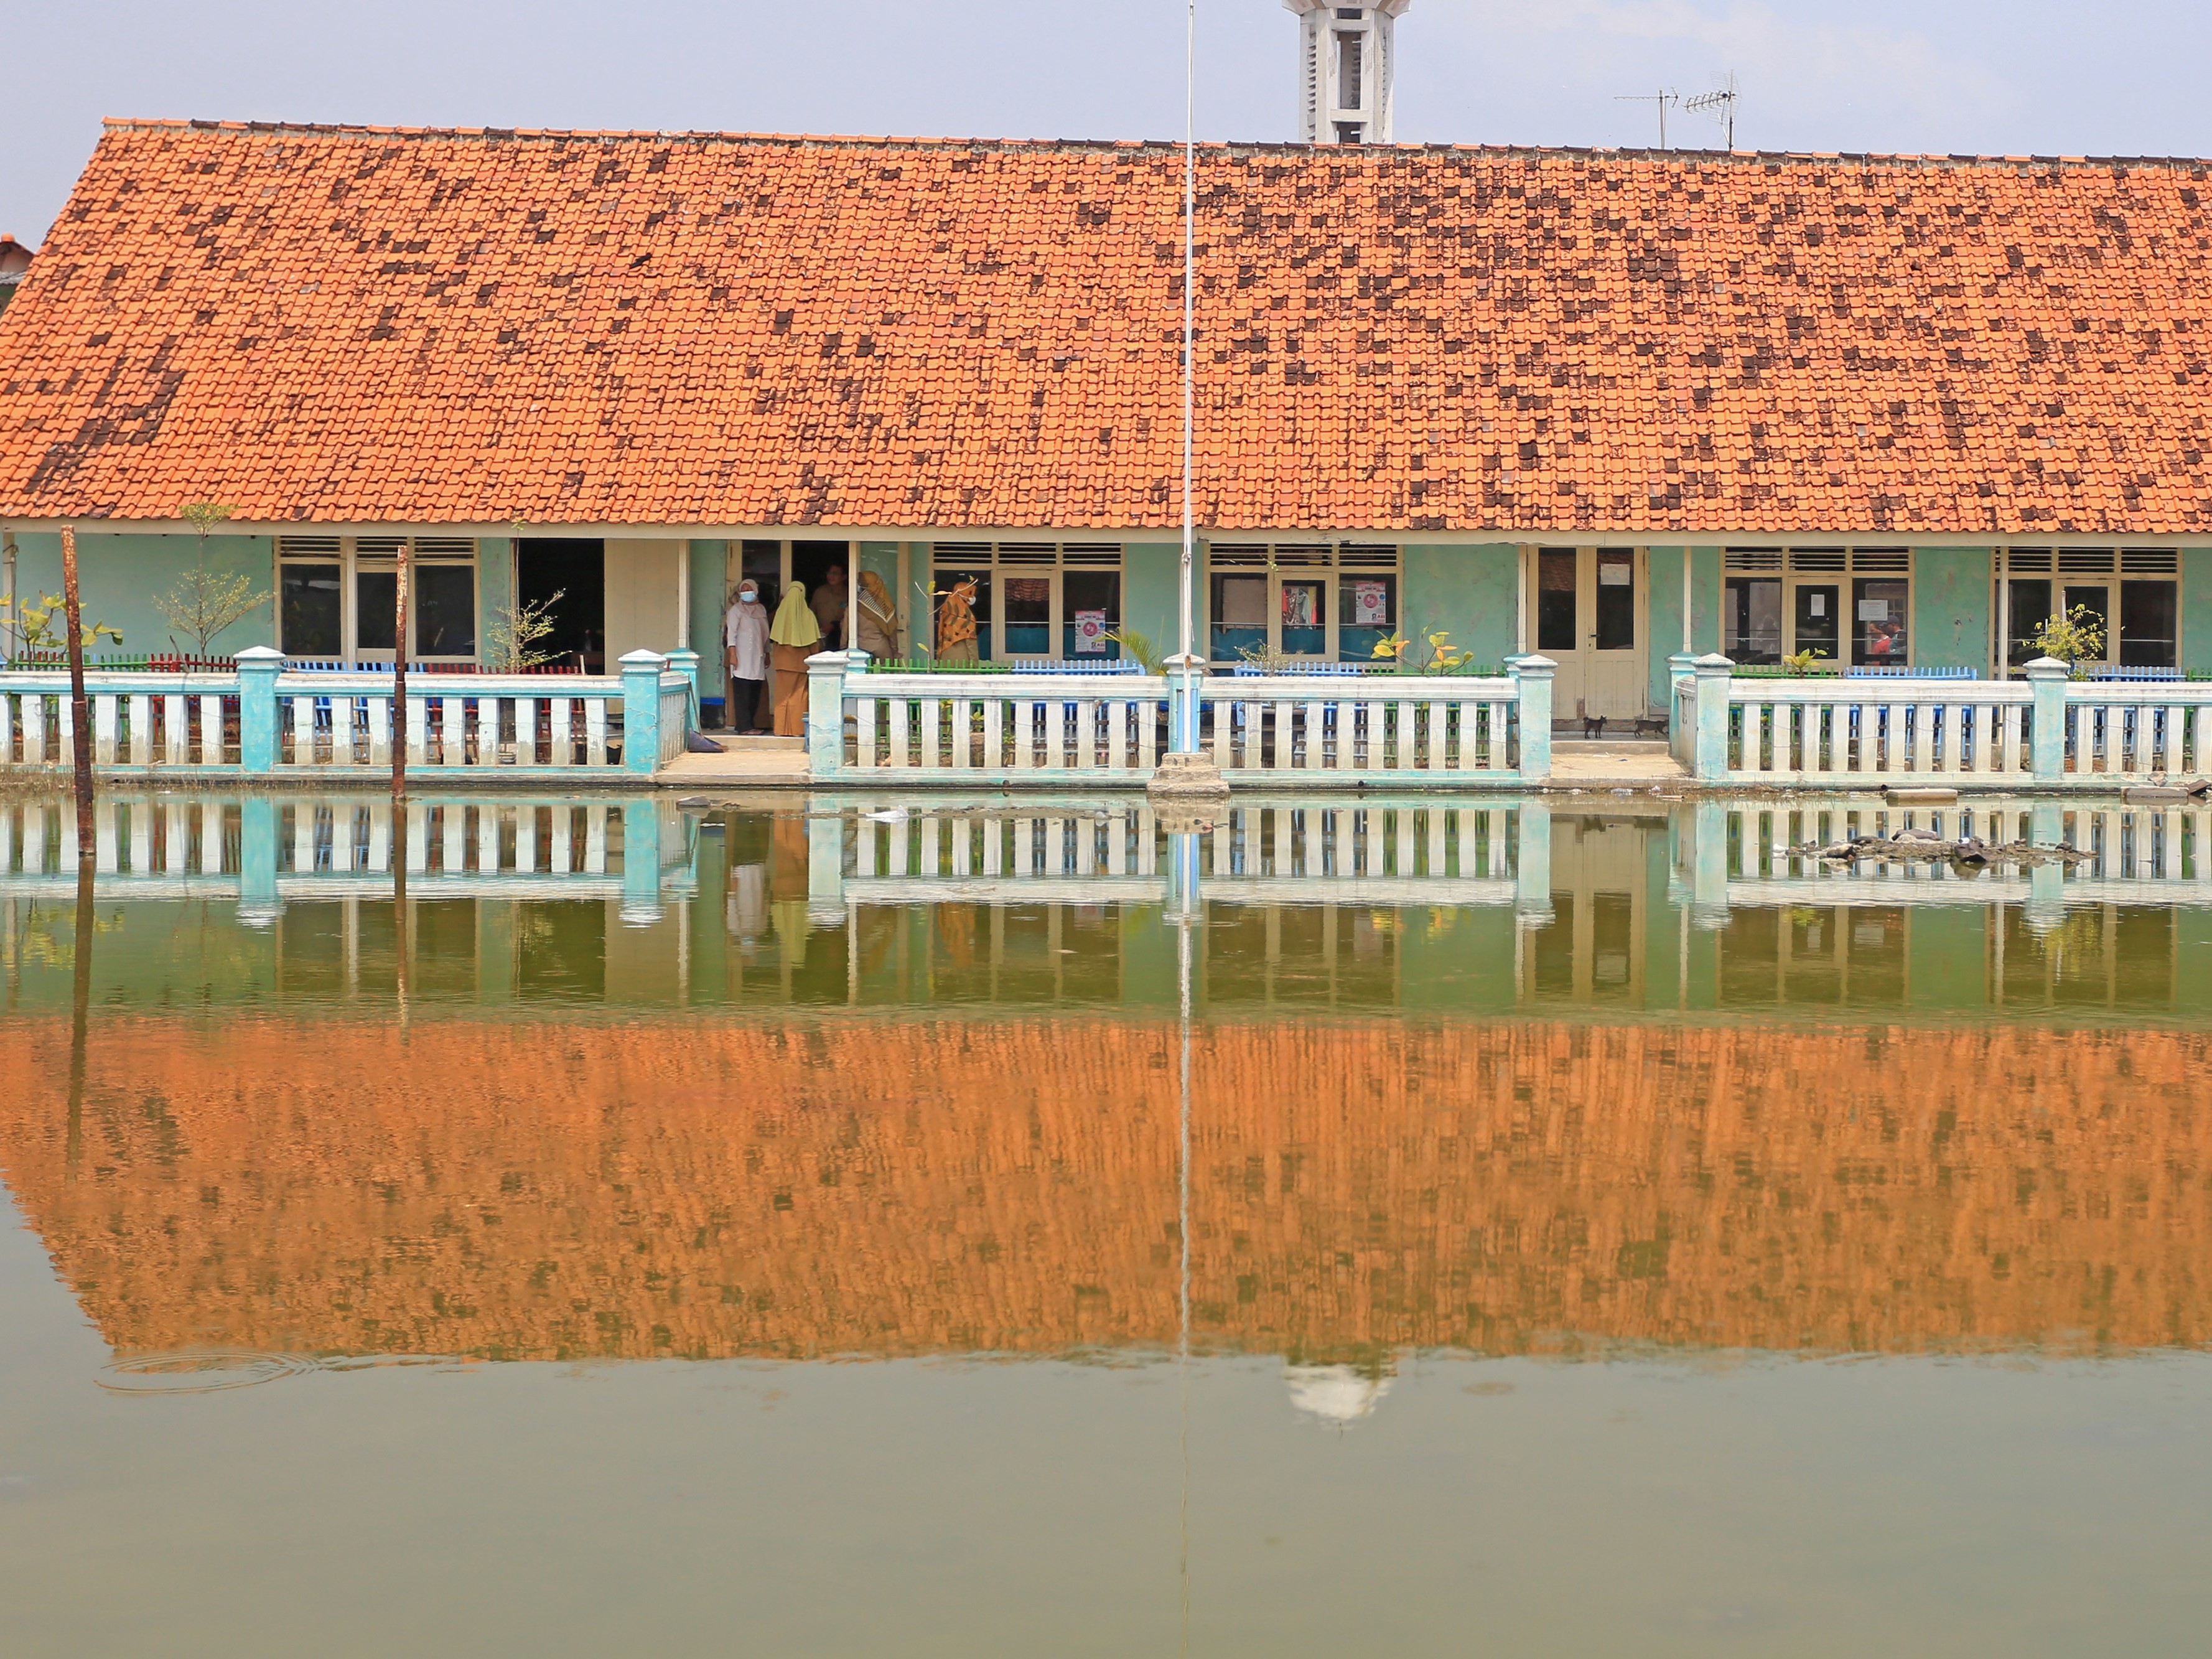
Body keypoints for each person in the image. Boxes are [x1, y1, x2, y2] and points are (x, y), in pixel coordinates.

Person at [770, 583, 822, 737]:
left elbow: (775, 641)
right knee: (799, 696)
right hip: (801, 664)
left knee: (781, 696)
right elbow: (814, 645)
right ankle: (798, 730)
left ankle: (780, 729)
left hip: (782, 664)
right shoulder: (809, 616)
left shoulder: (780, 614)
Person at [724, 579, 770, 731]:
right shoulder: (736, 610)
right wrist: (732, 654)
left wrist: (767, 653)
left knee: (755, 691)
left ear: (756, 590)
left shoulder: (761, 610)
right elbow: (732, 634)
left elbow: (765, 634)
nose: (746, 593)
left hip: (758, 657)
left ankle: (749, 724)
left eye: (748, 589)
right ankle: (744, 727)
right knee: (742, 692)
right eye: (743, 590)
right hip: (741, 657)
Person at [856, 569, 898, 660]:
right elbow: (891, 632)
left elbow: (845, 629)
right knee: (885, 672)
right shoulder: (885, 606)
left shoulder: (854, 606)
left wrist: (844, 647)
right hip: (881, 648)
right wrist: (895, 650)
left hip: (859, 646)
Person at [936, 577, 979, 666]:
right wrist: (975, 666)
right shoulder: (965, 616)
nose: (972, 597)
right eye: (970, 593)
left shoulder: (946, 610)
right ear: (963, 594)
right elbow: (971, 642)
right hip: (961, 662)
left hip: (945, 658)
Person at [810, 564, 849, 650]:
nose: (831, 576)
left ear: (844, 577)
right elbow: (811, 613)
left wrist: (834, 625)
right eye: (829, 573)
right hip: (821, 637)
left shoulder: (849, 593)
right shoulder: (820, 592)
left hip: (842, 638)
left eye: (835, 573)